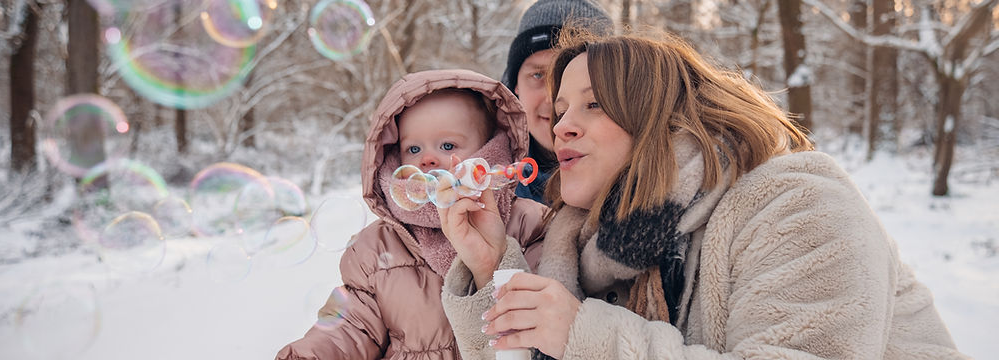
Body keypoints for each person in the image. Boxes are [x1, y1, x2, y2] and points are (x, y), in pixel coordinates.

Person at [438, 30, 968, 359]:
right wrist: (492, 270)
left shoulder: (798, 203)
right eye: (560, 110)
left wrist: (585, 337)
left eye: (594, 104)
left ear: (659, 116)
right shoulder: (584, 244)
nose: (560, 129)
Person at [276, 69, 547, 359]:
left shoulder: (528, 225)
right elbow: (352, 327)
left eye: (447, 145)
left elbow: (541, 324)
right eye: (413, 148)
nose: (427, 158)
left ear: (490, 151)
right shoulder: (376, 247)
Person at [503, 0, 613, 204]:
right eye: (537, 75)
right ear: (514, 85)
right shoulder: (482, 180)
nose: (552, 97)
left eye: (563, 75)